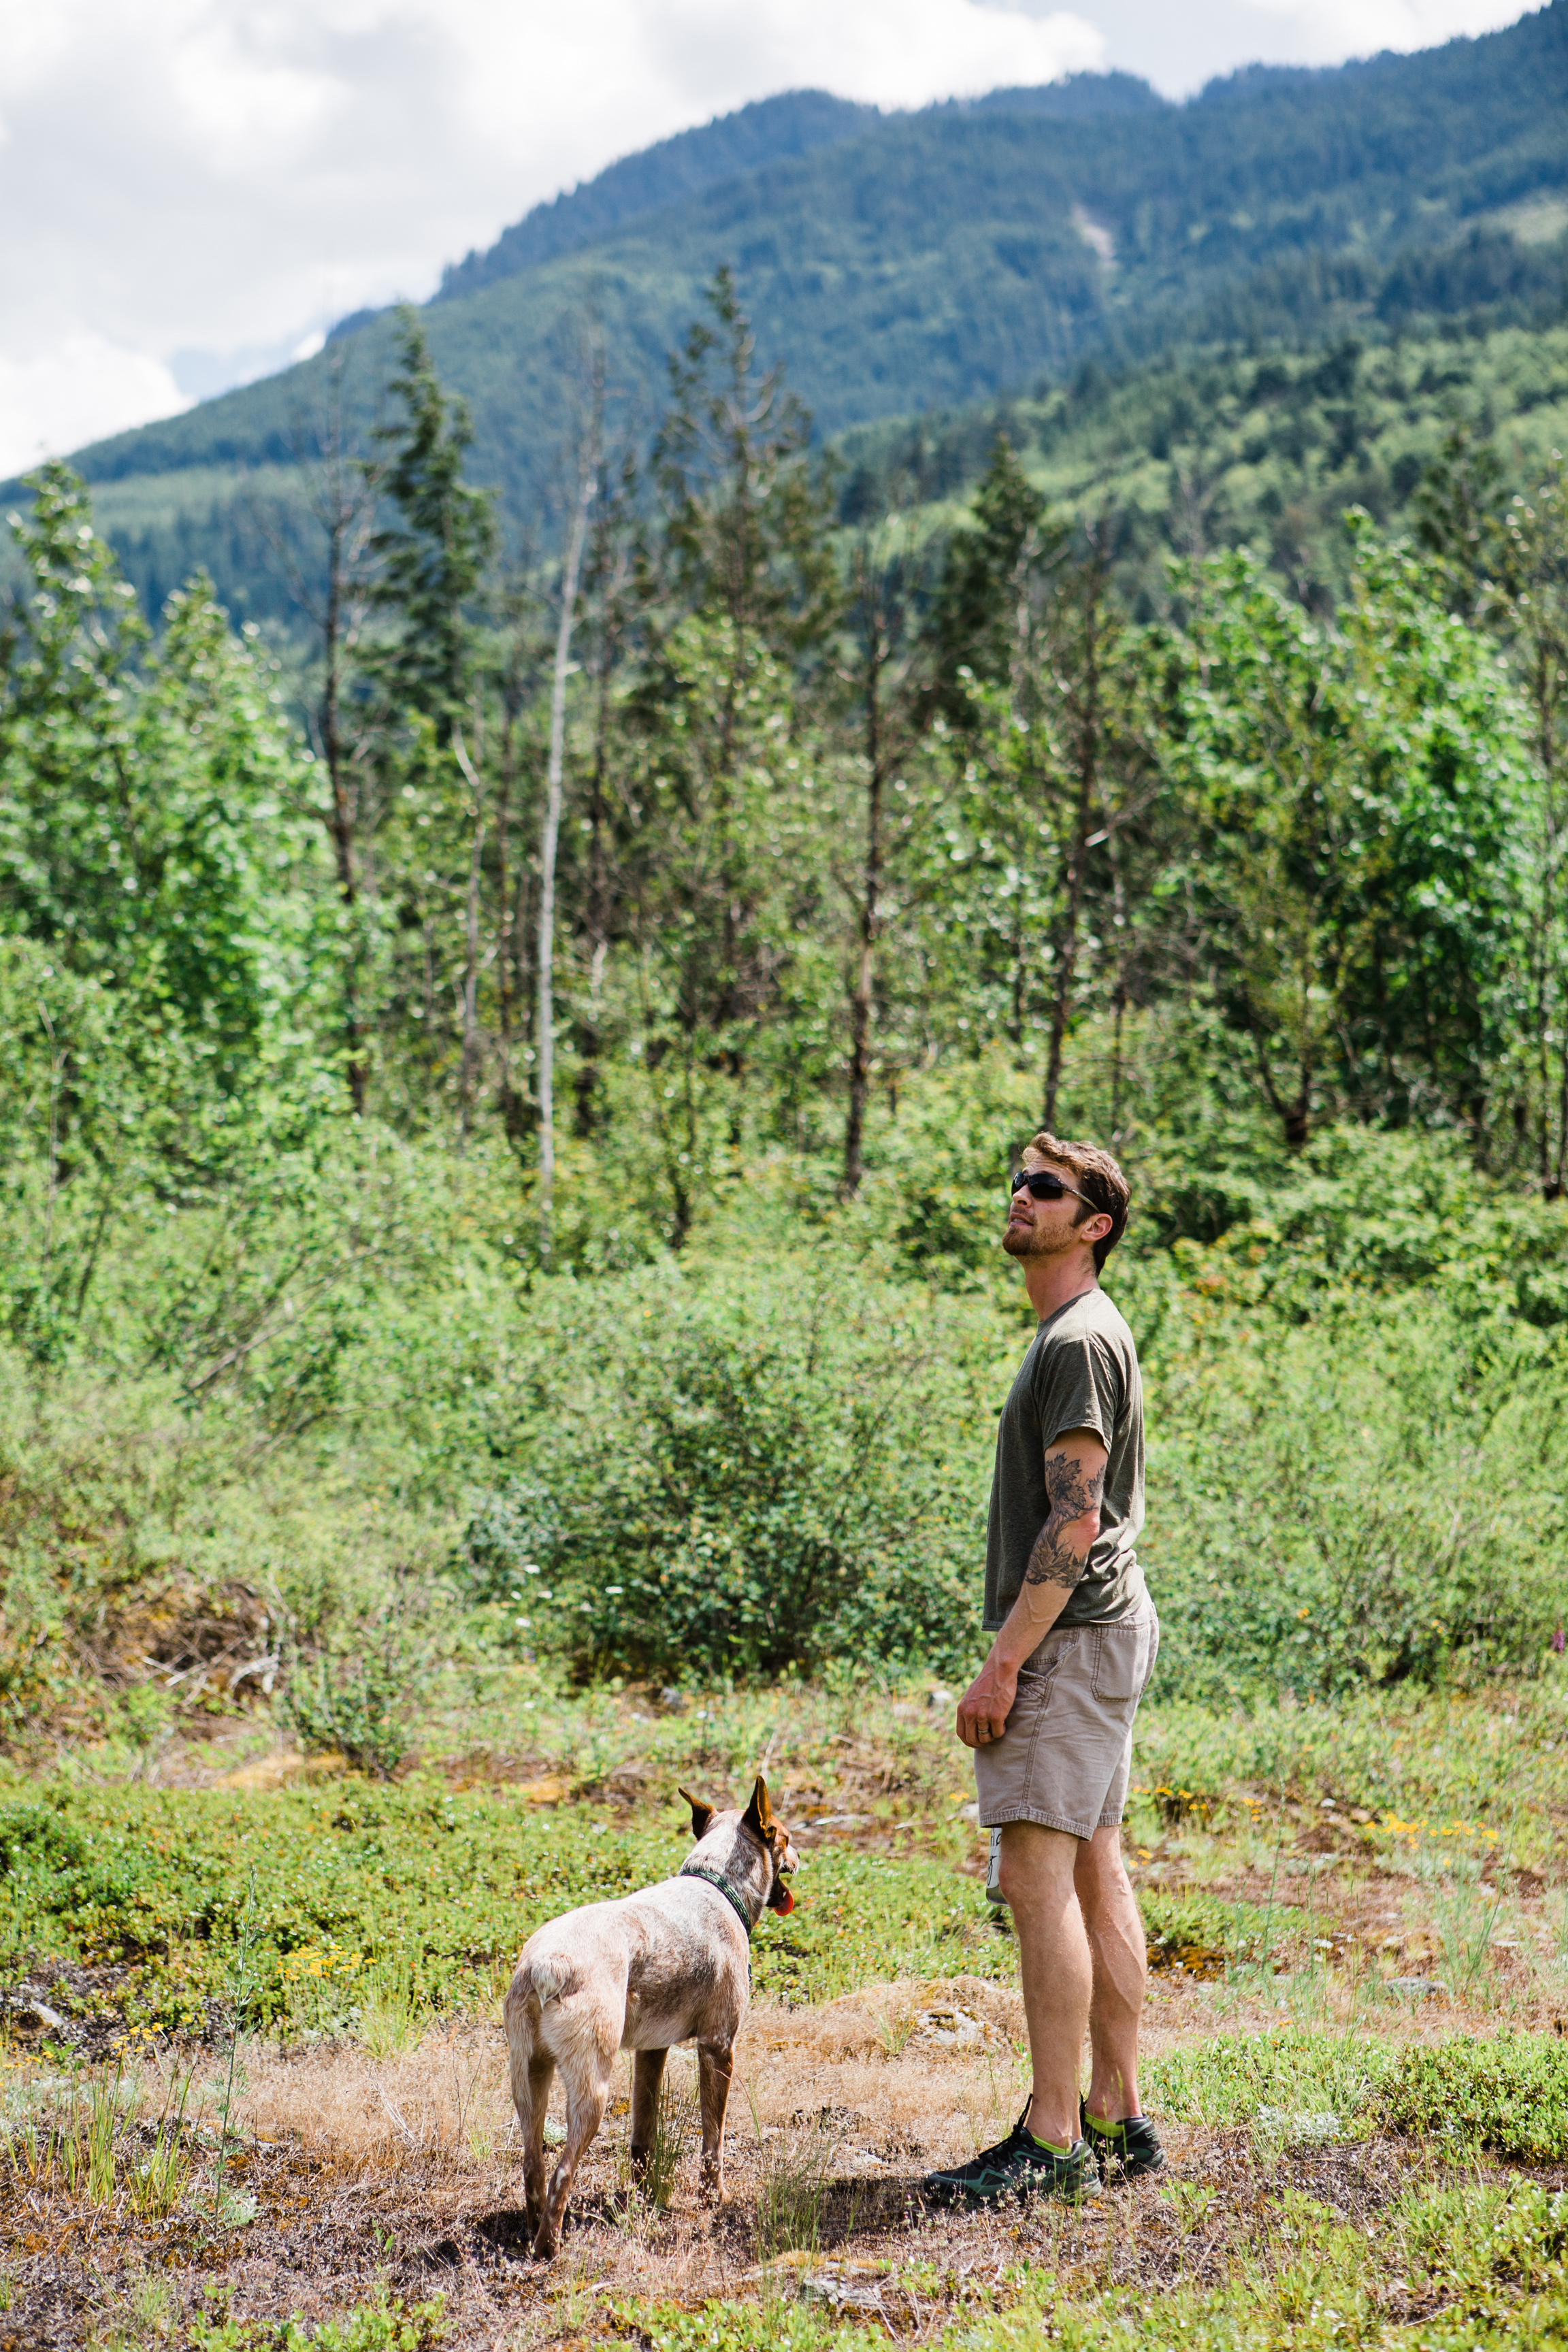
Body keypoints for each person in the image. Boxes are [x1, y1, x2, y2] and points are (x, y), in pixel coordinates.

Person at [922, 1131, 1162, 2206]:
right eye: (1017, 1182)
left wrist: (1001, 1666)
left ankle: (1054, 2137)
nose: (1019, 1198)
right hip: (1102, 1631)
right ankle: (1114, 2112)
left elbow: (1076, 1518)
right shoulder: (1076, 1332)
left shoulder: (1077, 1340)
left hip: (1069, 1637)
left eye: (1045, 1189)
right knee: (1093, 1866)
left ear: (1093, 1224)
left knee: (1034, 1874)